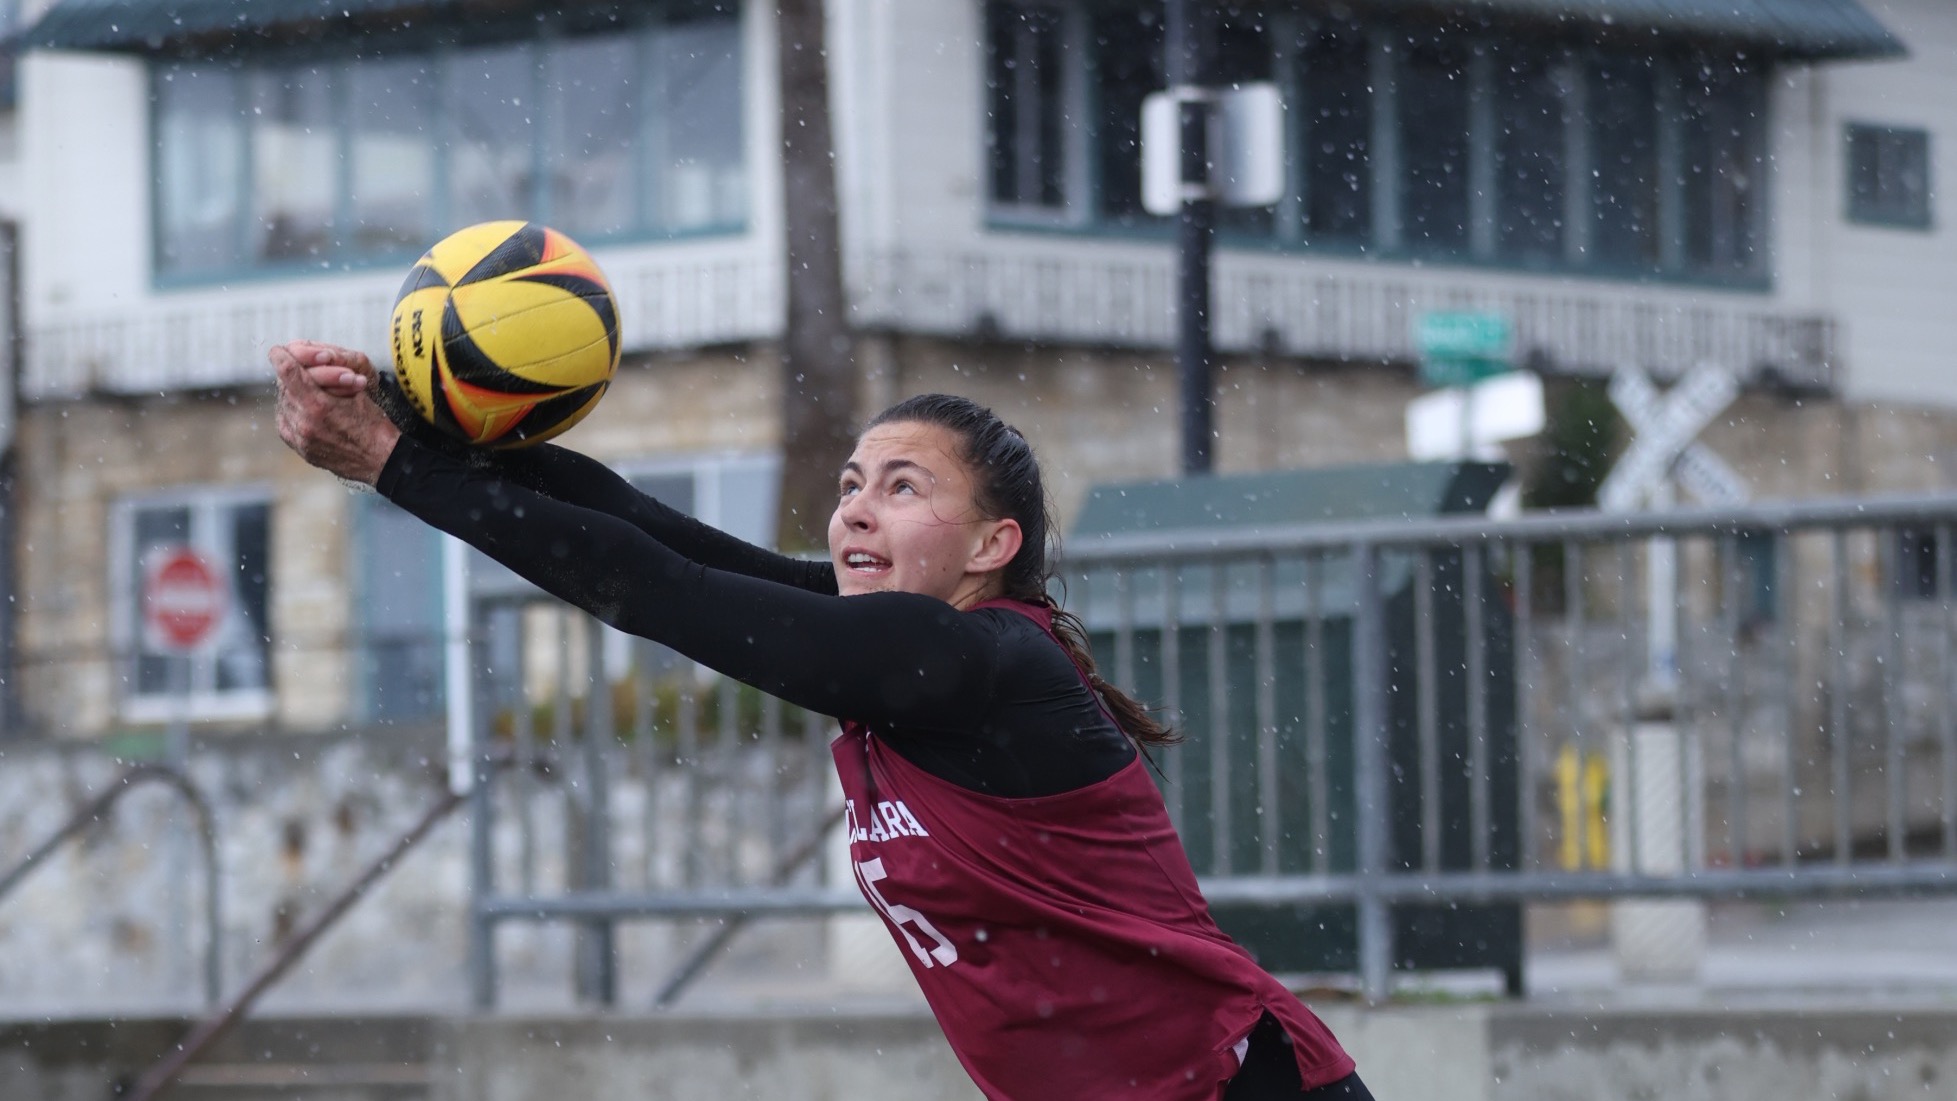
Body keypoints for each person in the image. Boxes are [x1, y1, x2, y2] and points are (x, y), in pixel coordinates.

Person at [272, 340, 1372, 1101]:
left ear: (992, 547)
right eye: (852, 482)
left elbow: (658, 590)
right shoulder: (909, 647)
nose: (855, 505)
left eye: (902, 487)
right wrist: (426, 411)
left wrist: (393, 465)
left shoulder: (973, 659)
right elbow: (653, 535)